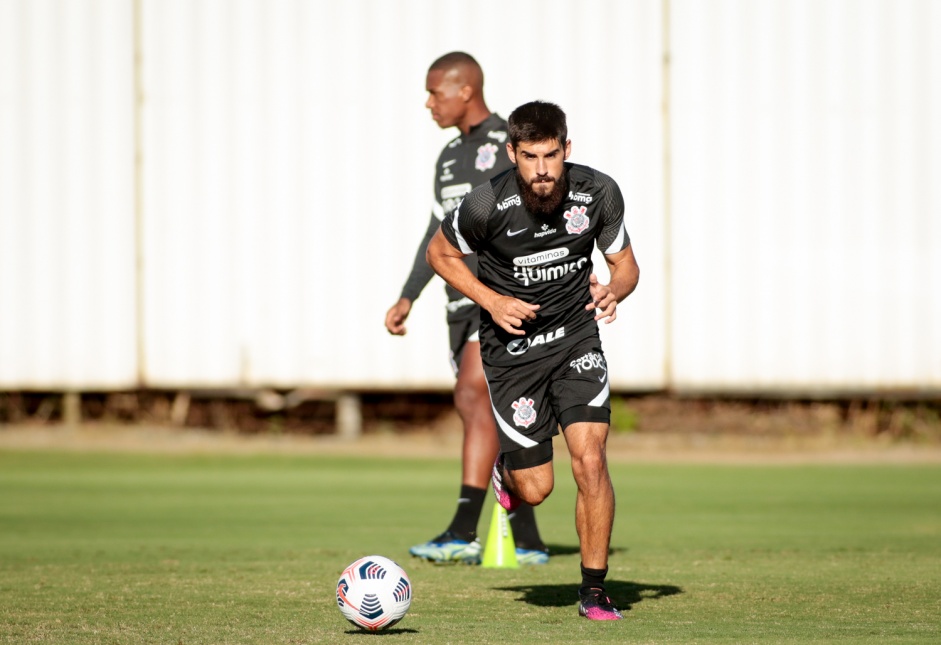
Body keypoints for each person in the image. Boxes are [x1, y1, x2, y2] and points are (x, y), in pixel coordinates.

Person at [426, 100, 640, 620]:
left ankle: (593, 588)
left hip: (576, 342)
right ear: (512, 153)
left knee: (590, 458)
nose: (542, 170)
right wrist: (492, 301)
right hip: (513, 356)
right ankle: (509, 471)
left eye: (551, 155)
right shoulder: (484, 204)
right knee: (537, 488)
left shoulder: (598, 193)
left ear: (567, 149)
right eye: (529, 157)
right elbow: (439, 253)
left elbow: (627, 267)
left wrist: (615, 290)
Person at [384, 52, 548, 565]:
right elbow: (438, 237)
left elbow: (543, 212)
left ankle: (461, 529)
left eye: (436, 92)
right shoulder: (450, 157)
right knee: (486, 412)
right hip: (459, 305)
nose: (430, 103)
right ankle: (527, 536)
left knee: (472, 394)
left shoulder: (507, 146)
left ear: (466, 90)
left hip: (500, 303)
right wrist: (410, 294)